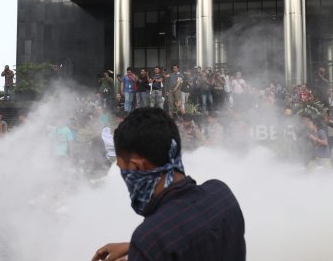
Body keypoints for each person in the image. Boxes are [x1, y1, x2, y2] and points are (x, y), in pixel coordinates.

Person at [91, 108, 245, 261]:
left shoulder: (151, 239)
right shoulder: (221, 195)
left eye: (123, 170)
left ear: (137, 167)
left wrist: (142, 251)